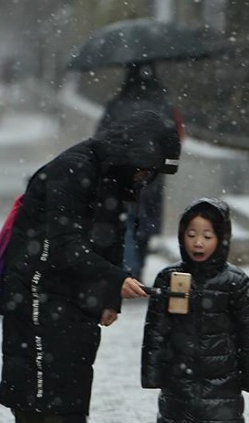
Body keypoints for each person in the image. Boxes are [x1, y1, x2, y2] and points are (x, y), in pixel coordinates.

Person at [0, 109, 181, 423]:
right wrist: (112, 279)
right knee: (56, 380)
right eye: (146, 171)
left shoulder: (114, 174)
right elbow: (65, 242)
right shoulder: (73, 169)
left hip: (72, 290)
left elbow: (110, 235)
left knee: (74, 375)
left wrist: (107, 297)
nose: (144, 180)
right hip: (39, 287)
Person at [141, 197, 249, 423]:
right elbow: (155, 331)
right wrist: (152, 371)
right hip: (179, 372)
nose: (198, 243)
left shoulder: (235, 283)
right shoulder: (170, 279)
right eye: (191, 234)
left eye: (207, 236)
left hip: (222, 373)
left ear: (221, 239)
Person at [97, 62, 184, 281]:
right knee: (145, 224)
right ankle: (137, 268)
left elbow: (101, 137)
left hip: (122, 174)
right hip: (152, 174)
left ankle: (129, 270)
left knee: (126, 221)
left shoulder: (117, 104)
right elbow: (175, 138)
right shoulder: (163, 104)